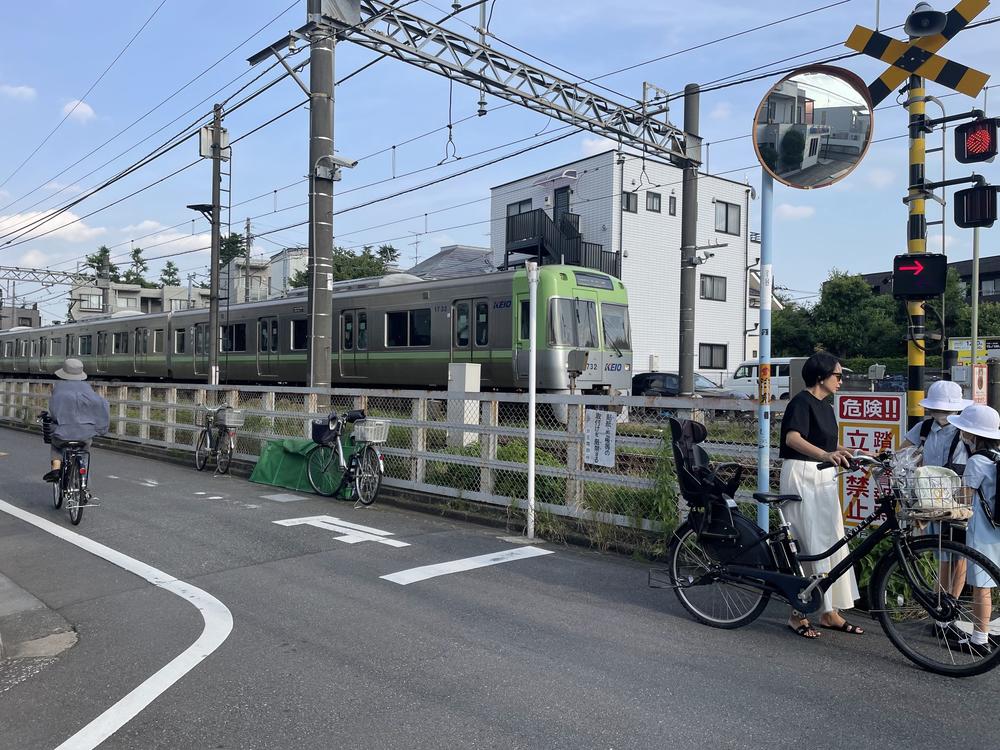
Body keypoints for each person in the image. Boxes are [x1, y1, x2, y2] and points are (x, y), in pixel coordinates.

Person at [779, 351, 861, 639]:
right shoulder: (801, 402)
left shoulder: (826, 406)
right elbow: (793, 438)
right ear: (820, 376)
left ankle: (829, 611)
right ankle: (797, 613)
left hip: (823, 475)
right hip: (802, 474)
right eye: (838, 375)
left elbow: (826, 442)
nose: (841, 380)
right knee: (808, 541)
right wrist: (826, 454)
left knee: (832, 539)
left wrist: (846, 453)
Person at [948, 403, 1000, 654]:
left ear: (973, 435)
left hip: (981, 530)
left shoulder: (977, 461)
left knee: (983, 586)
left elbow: (964, 497)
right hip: (998, 529)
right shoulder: (997, 457)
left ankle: (980, 640)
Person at [42, 358, 110, 483]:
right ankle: (83, 483)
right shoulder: (88, 389)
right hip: (85, 434)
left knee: (55, 445)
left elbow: (54, 412)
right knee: (84, 451)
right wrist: (100, 428)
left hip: (63, 434)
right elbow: (101, 406)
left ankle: (56, 470)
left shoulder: (59, 388)